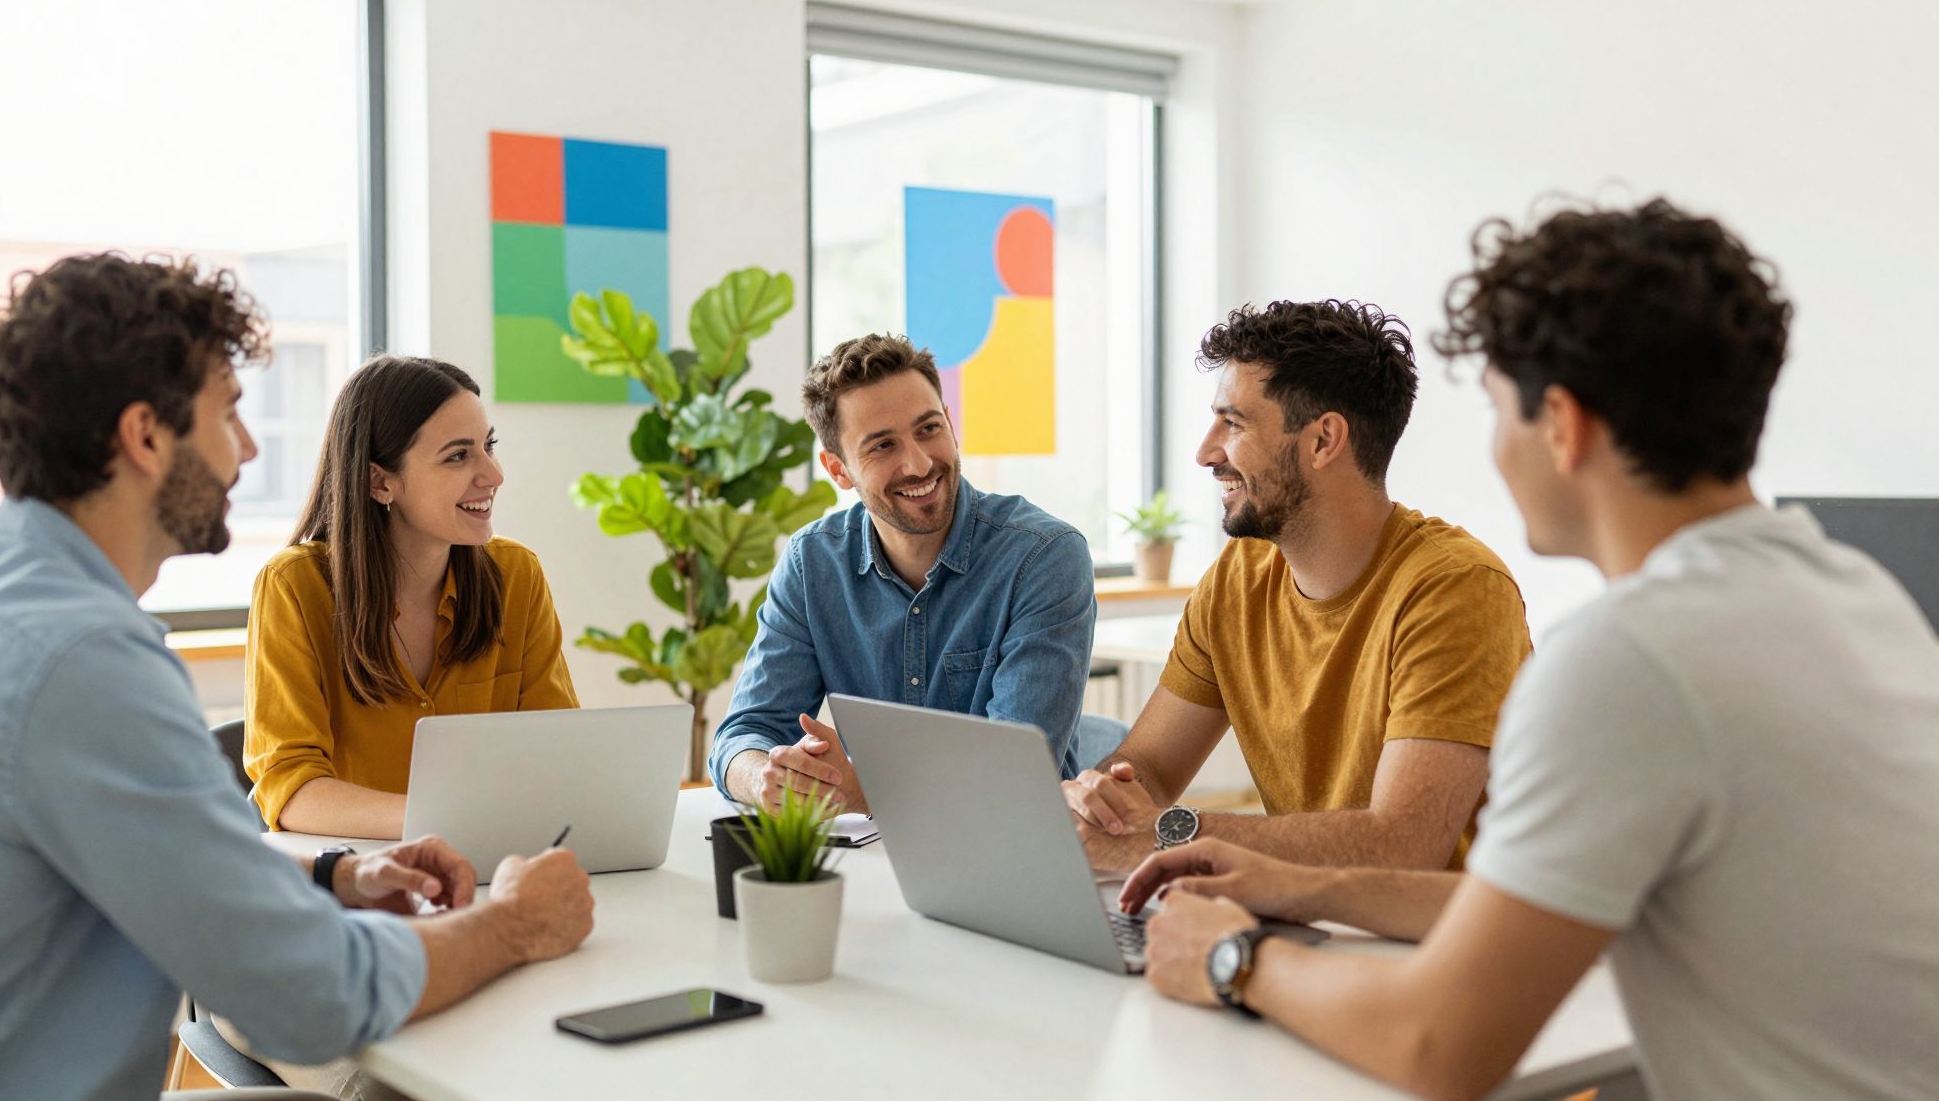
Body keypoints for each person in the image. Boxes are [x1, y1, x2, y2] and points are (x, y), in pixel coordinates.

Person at [1129, 200, 1939, 1100]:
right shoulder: (1865, 601)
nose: (1496, 450)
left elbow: (1439, 1045)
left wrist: (1237, 958)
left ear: (1562, 424)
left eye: (1497, 411)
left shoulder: (1629, 659)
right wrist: (1294, 885)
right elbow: (1509, 906)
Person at [0, 254, 594, 1101]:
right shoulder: (79, 663)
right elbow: (312, 991)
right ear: (146, 436)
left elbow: (175, 861)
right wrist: (514, 923)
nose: (250, 448)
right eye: (228, 412)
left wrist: (335, 875)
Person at [1064, 300, 1531, 873]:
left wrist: (1167, 833)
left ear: (1322, 440)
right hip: (1300, 915)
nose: (1206, 453)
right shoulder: (1238, 577)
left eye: (1232, 423)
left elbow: (1403, 846)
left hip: (1432, 945)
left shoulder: (1457, 590)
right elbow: (1152, 770)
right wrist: (1101, 808)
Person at [709, 333, 1096, 813]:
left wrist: (863, 793)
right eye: (883, 446)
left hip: (1011, 856)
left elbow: (1015, 777)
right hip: (870, 855)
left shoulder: (1044, 557)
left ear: (951, 425)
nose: (918, 463)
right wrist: (766, 779)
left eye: (929, 429)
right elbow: (745, 733)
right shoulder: (813, 564)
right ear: (838, 469)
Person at [245, 355, 579, 837]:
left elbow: (561, 750)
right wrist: (446, 823)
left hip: (491, 862)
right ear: (381, 481)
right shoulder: (294, 587)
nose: (494, 474)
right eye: (459, 456)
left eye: (488, 446)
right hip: (357, 880)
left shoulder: (517, 575)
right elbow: (292, 789)